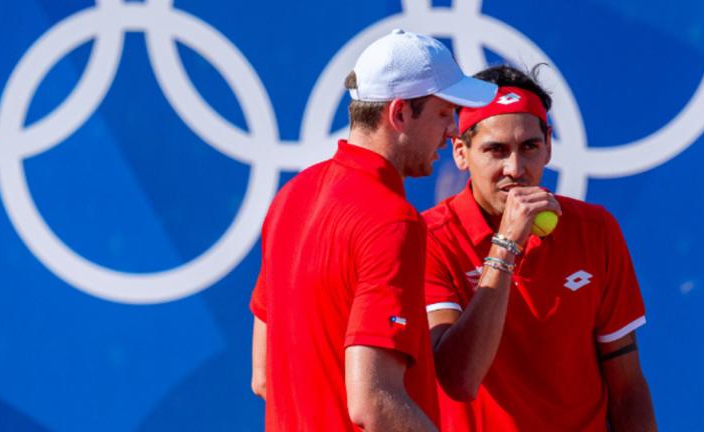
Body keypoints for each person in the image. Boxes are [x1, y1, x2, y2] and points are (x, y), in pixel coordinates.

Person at [249, 29, 497, 431]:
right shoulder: (393, 221)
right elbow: (374, 403)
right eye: (443, 114)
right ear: (399, 114)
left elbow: (263, 378)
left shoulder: (290, 196)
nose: (453, 130)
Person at [424, 64, 657, 431]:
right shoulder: (428, 239)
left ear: (548, 145)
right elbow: (459, 378)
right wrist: (506, 245)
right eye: (496, 150)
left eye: (529, 147)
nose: (515, 169)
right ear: (460, 152)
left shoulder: (596, 230)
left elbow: (627, 386)